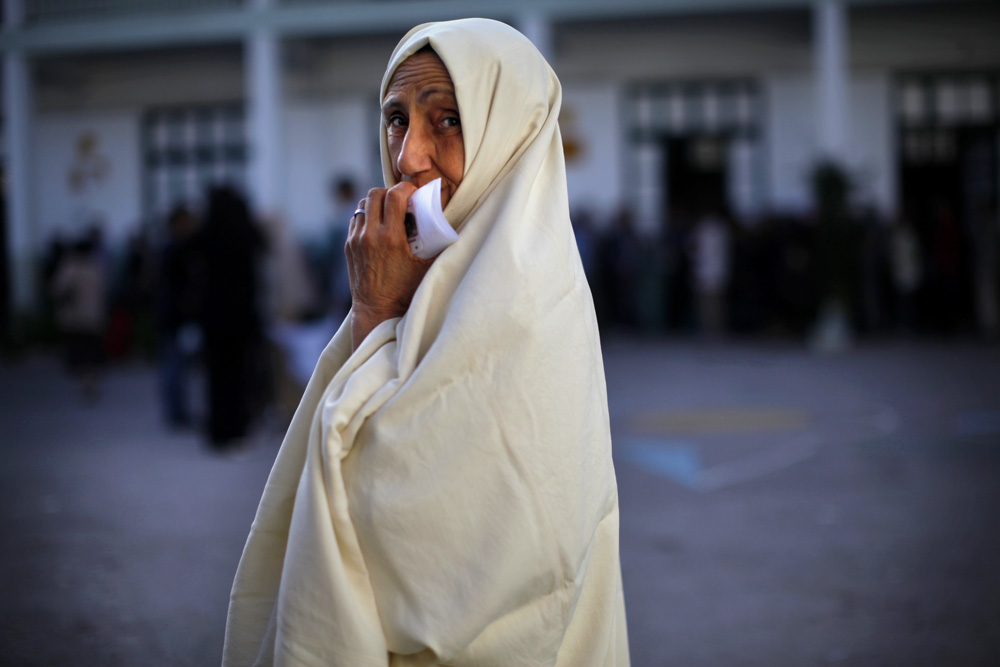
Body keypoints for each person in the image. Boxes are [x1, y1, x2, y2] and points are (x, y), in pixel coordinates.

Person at [223, 19, 629, 666]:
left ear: (509, 137)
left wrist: (375, 309)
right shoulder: (432, 276)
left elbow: (410, 553)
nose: (408, 155)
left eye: (447, 121)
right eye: (395, 118)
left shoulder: (522, 310)